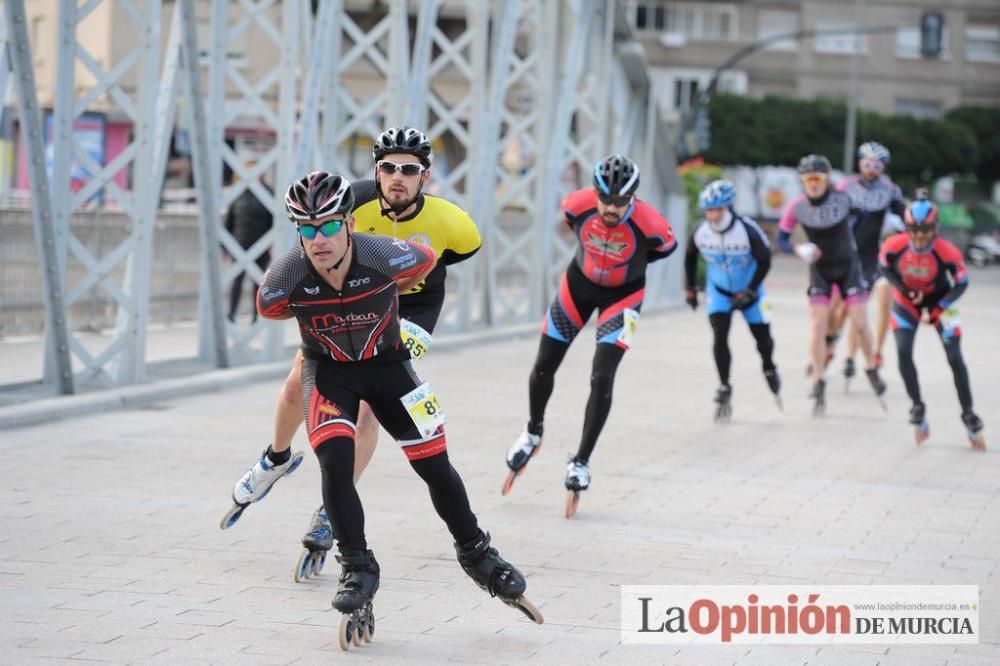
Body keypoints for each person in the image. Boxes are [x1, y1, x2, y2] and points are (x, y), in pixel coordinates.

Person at [256, 171, 541, 643]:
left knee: (435, 467)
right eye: (307, 230)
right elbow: (268, 305)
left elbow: (426, 262)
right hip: (328, 374)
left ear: (349, 223)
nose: (319, 239)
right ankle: (358, 567)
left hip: (390, 369)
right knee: (334, 462)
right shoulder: (287, 275)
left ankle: (476, 553)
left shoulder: (383, 254)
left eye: (329, 226)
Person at [222, 127, 482, 579]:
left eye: (409, 169)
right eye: (387, 168)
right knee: (296, 382)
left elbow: (452, 259)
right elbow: (310, 247)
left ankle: (332, 507)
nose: (396, 177)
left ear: (426, 176)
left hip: (411, 308)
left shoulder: (453, 220)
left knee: (367, 410)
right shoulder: (352, 202)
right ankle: (276, 459)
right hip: (350, 298)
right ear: (375, 171)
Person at [503, 154, 677, 517]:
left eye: (620, 202)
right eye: (606, 199)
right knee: (543, 366)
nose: (611, 208)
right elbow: (569, 222)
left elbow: (665, 250)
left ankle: (580, 460)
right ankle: (533, 431)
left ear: (634, 199)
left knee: (602, 377)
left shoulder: (652, 224)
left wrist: (629, 268)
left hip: (623, 297)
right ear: (595, 193)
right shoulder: (576, 205)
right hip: (577, 288)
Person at [776, 154, 886, 416]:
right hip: (821, 270)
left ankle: (871, 367)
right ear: (802, 182)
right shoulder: (797, 207)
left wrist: (853, 239)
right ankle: (818, 379)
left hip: (849, 267)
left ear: (827, 180)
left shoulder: (843, 199)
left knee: (860, 321)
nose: (813, 184)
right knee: (817, 325)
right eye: (808, 179)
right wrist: (798, 249)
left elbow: (864, 217)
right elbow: (780, 240)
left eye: (818, 179)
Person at [879, 197, 986, 450]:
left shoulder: (948, 251)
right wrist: (904, 289)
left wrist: (938, 308)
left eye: (925, 230)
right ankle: (917, 406)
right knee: (903, 352)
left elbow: (961, 282)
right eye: (913, 230)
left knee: (955, 358)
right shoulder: (893, 246)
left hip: (941, 303)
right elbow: (885, 269)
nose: (918, 236)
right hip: (906, 303)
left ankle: (969, 414)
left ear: (935, 229)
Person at [684, 180, 781, 421]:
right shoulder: (701, 230)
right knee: (719, 336)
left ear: (727, 208)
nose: (711, 215)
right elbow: (689, 256)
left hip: (751, 293)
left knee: (763, 340)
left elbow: (766, 260)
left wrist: (751, 289)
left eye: (716, 210)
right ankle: (724, 385)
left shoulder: (747, 230)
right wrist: (690, 290)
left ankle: (769, 366)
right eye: (707, 210)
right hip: (719, 293)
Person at [829, 141, 906, 386]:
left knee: (856, 307)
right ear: (860, 163)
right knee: (838, 308)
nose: (871, 169)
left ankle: (852, 356)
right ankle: (832, 341)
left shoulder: (890, 190)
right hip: (844, 253)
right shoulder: (845, 186)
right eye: (867, 164)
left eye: (877, 165)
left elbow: (906, 220)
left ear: (883, 168)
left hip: (869, 257)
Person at [224, 167, 274, 322]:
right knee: (237, 281)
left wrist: (271, 242)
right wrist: (225, 246)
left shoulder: (267, 193)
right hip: (239, 244)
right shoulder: (238, 193)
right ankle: (231, 314)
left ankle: (256, 316)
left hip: (260, 244)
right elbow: (229, 221)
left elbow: (273, 221)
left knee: (258, 283)